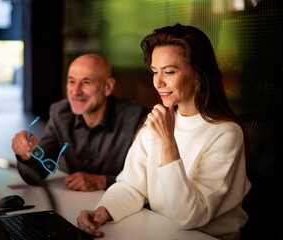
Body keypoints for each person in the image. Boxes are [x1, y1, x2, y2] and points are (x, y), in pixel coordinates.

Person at [76, 24, 252, 240]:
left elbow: (190, 217)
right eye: (154, 72)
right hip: (161, 232)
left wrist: (168, 141)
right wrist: (101, 212)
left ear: (197, 74)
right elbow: (131, 186)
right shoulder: (159, 122)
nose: (158, 82)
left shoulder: (226, 134)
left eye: (169, 72)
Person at [11, 53, 148, 191]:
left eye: (86, 82)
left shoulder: (137, 118)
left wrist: (102, 182)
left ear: (108, 86)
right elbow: (35, 175)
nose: (76, 91)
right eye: (71, 81)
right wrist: (26, 154)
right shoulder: (60, 114)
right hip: (79, 207)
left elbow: (149, 178)